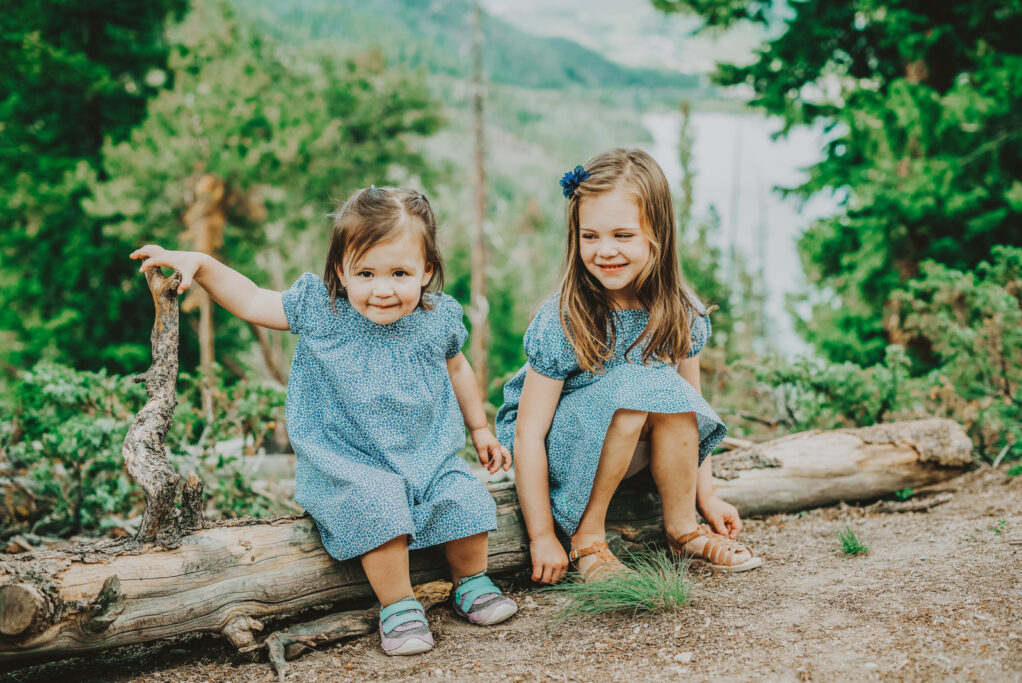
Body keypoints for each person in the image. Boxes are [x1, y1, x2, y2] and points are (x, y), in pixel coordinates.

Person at [130, 186, 517, 656]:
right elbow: (252, 299)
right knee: (378, 504)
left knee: (462, 496)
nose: (382, 288)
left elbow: (457, 366)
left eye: (400, 272)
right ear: (340, 270)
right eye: (366, 272)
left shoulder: (438, 318)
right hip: (347, 462)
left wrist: (479, 429)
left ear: (427, 271)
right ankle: (399, 606)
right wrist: (201, 263)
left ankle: (471, 582)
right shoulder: (321, 309)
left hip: (426, 453)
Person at [496, 149, 762, 584]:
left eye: (623, 235)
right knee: (634, 393)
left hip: (629, 445)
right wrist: (541, 534)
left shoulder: (681, 311)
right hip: (559, 446)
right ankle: (587, 537)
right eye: (590, 236)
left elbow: (691, 406)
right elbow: (528, 433)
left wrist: (707, 495)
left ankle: (682, 528)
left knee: (664, 395)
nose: (605, 251)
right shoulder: (565, 317)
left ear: (658, 235)